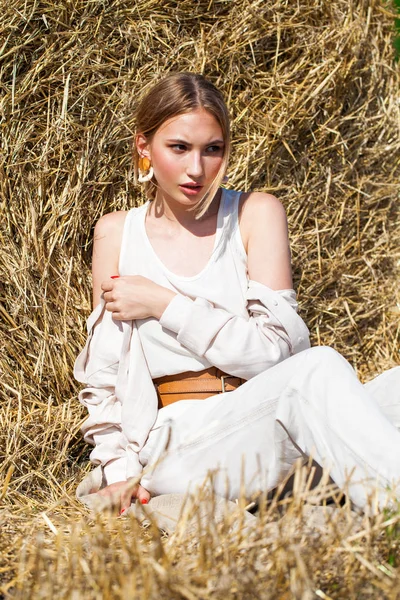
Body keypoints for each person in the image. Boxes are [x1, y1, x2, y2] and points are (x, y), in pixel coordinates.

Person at [74, 72, 400, 516]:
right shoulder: (118, 233)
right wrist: (117, 472)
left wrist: (164, 304)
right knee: (318, 369)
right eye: (179, 148)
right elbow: (103, 378)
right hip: (182, 443)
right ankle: (394, 520)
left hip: (264, 417)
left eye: (213, 149)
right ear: (144, 148)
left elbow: (275, 356)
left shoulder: (255, 214)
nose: (196, 168)